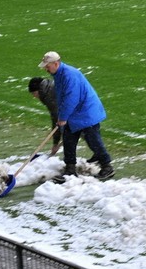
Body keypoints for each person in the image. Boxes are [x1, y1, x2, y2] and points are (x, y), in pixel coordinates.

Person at [37, 51, 115, 183]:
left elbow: (71, 99)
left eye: (47, 66)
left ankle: (107, 166)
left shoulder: (69, 75)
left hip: (86, 113)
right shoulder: (58, 74)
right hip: (75, 113)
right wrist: (62, 116)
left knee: (93, 141)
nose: (45, 68)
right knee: (68, 140)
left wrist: (62, 118)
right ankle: (70, 170)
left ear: (56, 63)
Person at [29, 77, 61, 155]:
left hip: (81, 112)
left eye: (34, 93)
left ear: (38, 90)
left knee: (83, 133)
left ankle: (70, 163)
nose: (34, 96)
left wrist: (55, 144)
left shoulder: (49, 96)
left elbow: (56, 119)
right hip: (76, 110)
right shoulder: (48, 88)